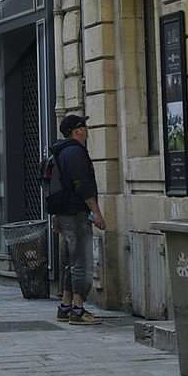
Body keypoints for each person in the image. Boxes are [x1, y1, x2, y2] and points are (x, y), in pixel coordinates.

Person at [47, 111, 106, 325]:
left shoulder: (59, 152)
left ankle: (65, 306)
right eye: (85, 127)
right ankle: (79, 310)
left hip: (63, 213)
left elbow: (56, 186)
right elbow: (82, 184)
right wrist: (96, 212)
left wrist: (55, 216)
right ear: (78, 130)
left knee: (71, 262)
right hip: (76, 213)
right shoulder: (76, 152)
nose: (87, 131)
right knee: (82, 260)